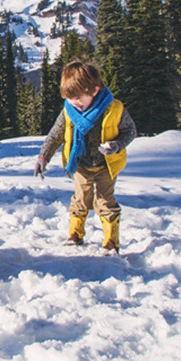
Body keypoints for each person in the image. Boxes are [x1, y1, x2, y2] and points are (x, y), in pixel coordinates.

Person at [34, 61, 136, 252]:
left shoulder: (114, 109)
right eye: (70, 98)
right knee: (80, 199)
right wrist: (43, 157)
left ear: (95, 90)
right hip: (80, 165)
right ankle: (75, 234)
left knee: (105, 201)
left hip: (107, 165)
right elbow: (55, 135)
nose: (75, 102)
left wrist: (117, 145)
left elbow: (130, 130)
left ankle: (111, 240)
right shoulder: (69, 111)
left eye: (79, 98)